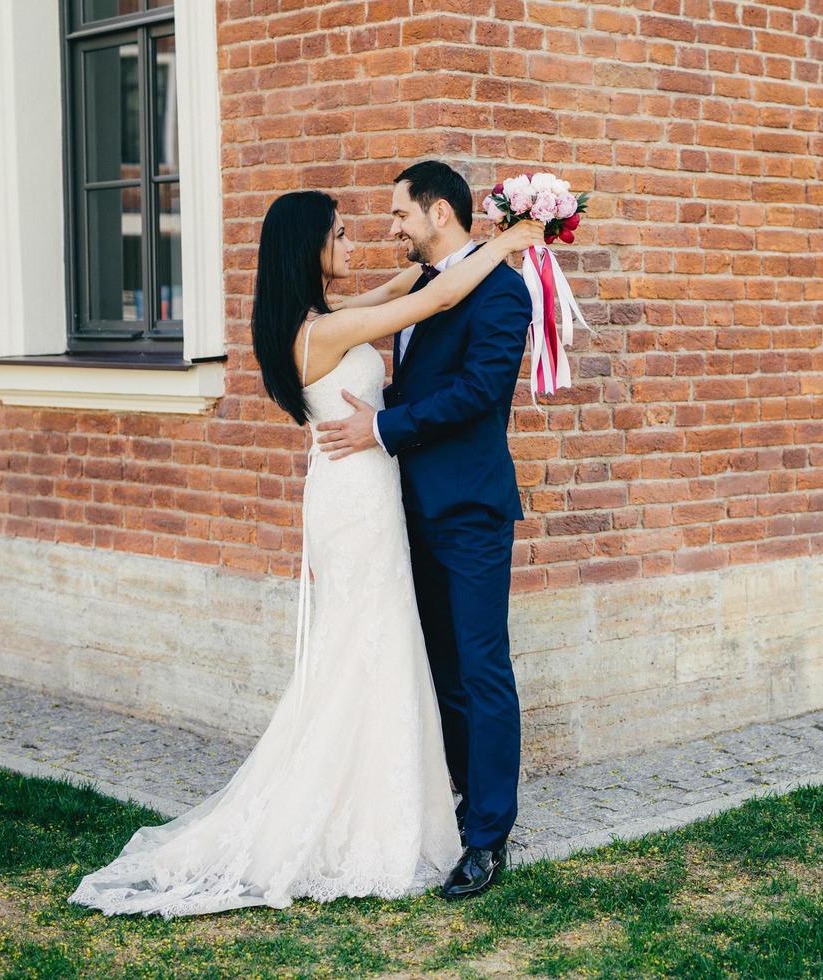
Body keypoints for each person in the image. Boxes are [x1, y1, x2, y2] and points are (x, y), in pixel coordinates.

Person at [66, 188, 543, 918]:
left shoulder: (321, 319)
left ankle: (419, 801)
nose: (361, 242)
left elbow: (410, 285)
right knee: (366, 648)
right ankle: (363, 805)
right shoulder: (320, 333)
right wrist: (509, 243)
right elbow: (437, 298)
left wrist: (484, 253)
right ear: (311, 247)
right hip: (356, 504)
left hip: (367, 499)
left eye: (378, 223)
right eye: (343, 234)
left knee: (386, 649)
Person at [313, 161, 535, 900]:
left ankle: (490, 839)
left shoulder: (502, 289)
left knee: (481, 668)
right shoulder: (422, 287)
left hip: (469, 510)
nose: (392, 228)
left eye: (401, 214)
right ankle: (466, 802)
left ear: (439, 213)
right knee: (442, 672)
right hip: (407, 509)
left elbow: (478, 395)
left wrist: (382, 427)